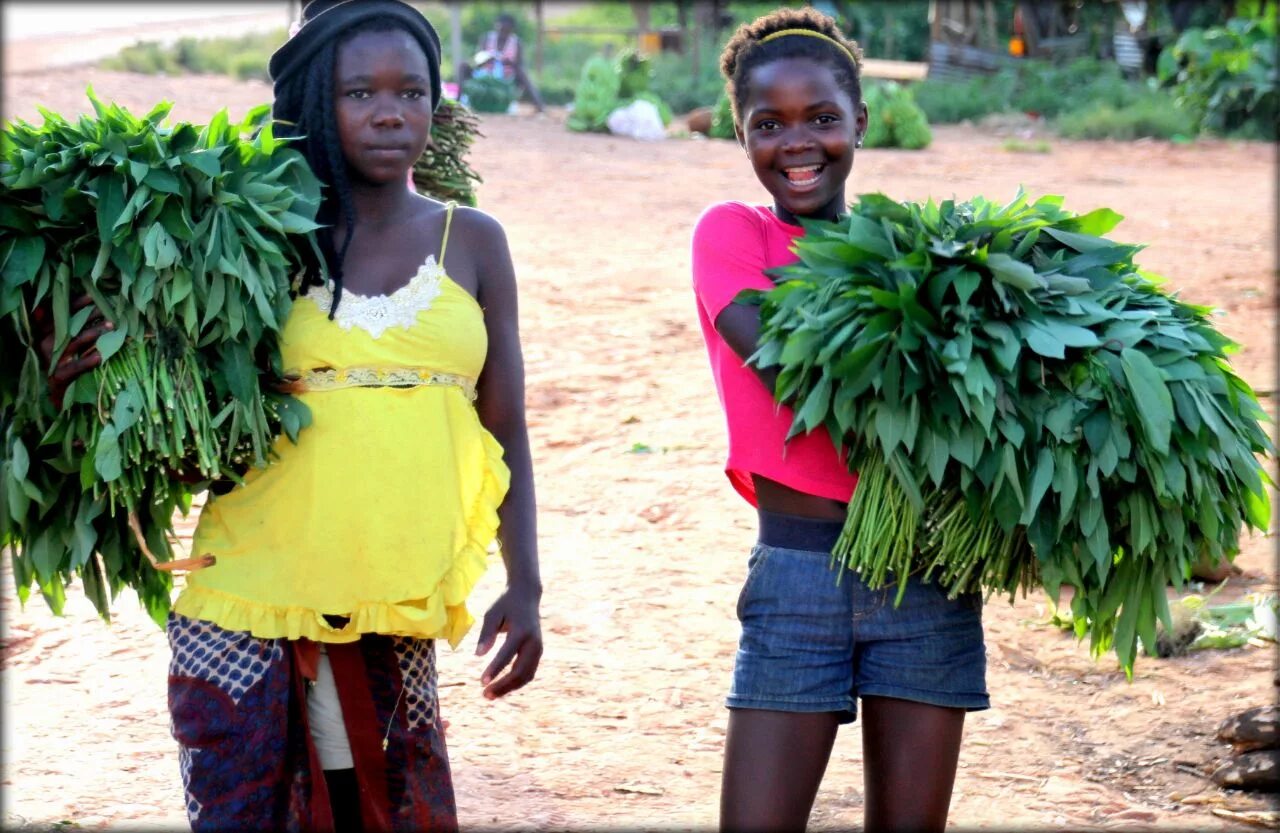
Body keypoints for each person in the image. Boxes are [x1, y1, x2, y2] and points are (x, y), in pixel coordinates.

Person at [39, 1, 542, 830]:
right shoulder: (256, 241)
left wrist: (526, 584)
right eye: (360, 94)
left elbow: (508, 427)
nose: (391, 112)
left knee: (378, 810)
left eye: (412, 92)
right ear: (316, 103)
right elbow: (186, 411)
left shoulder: (475, 241)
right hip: (248, 595)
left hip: (391, 599)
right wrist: (92, 360)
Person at [689, 8, 988, 833]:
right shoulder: (732, 235)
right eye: (768, 124)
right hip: (798, 575)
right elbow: (789, 362)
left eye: (822, 118)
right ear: (740, 134)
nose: (797, 142)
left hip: (924, 577)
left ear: (859, 120)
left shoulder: (910, 249)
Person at [467, 13, 546, 113]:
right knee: (463, 66)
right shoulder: (486, 38)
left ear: (511, 29)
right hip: (485, 73)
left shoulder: (516, 42)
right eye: (501, 29)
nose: (503, 32)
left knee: (523, 73)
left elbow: (520, 64)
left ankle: (539, 104)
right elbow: (477, 59)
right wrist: (488, 59)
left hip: (506, 76)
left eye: (506, 30)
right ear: (496, 26)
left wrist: (509, 63)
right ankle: (458, 99)